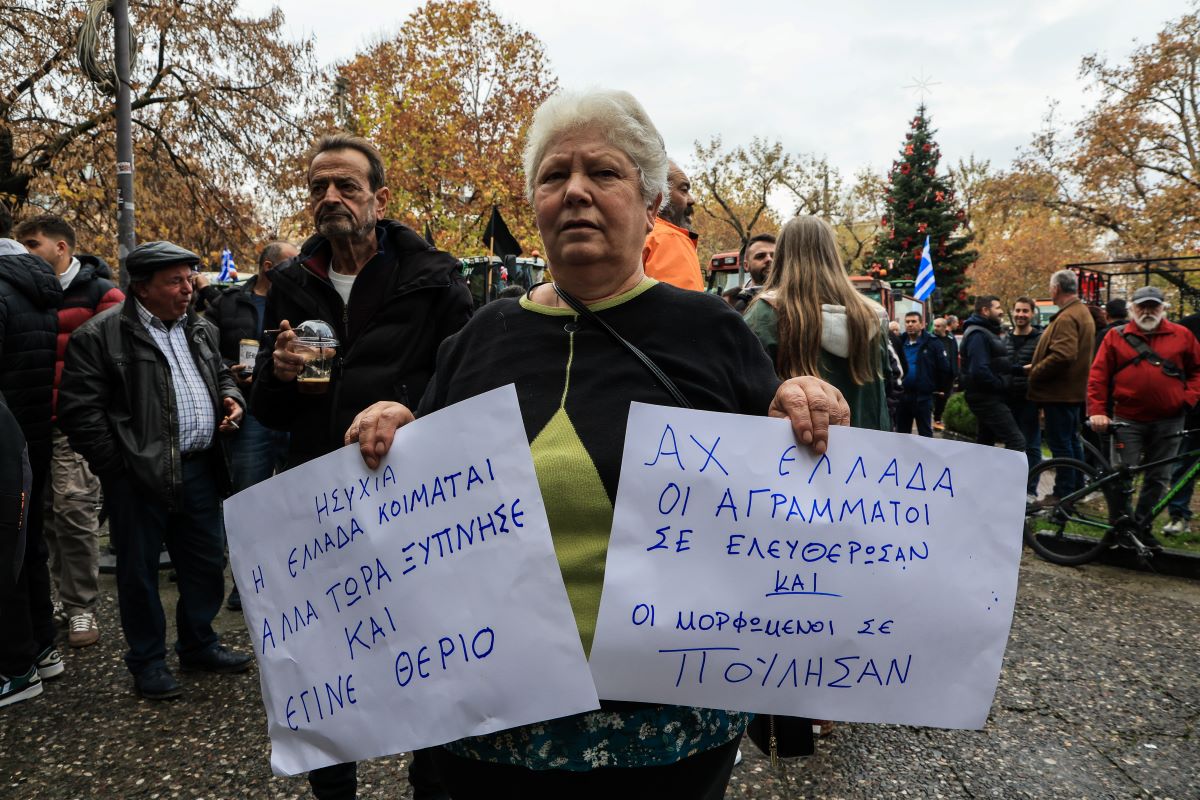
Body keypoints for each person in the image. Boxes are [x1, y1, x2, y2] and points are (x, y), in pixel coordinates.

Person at [345, 87, 849, 799]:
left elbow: (780, 502)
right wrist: (393, 427)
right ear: (534, 204)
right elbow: (425, 507)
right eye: (554, 176)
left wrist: (805, 407)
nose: (576, 191)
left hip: (665, 731)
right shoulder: (479, 339)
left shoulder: (710, 332)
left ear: (649, 203)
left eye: (603, 173)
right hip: (490, 724)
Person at [252, 133, 473, 800]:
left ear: (380, 198)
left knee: (432, 653)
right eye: (319, 186)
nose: (330, 197)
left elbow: (465, 385)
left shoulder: (435, 276)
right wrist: (282, 373)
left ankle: (433, 780)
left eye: (345, 185)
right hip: (322, 499)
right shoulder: (292, 283)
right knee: (326, 662)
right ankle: (334, 787)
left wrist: (407, 410)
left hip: (415, 502)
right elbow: (271, 409)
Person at [58, 240, 251, 701]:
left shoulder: (198, 328)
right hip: (137, 479)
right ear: (142, 288)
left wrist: (232, 399)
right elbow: (80, 413)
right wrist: (119, 469)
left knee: (206, 564)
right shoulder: (99, 336)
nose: (188, 289)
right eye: (175, 282)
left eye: (189, 279)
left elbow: (222, 373)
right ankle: (147, 662)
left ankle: (198, 643)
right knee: (139, 574)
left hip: (201, 469)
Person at [13, 214, 123, 646]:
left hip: (74, 424)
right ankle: (65, 595)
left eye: (33, 243)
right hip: (32, 420)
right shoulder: (27, 292)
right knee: (45, 517)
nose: (25, 251)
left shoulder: (101, 293)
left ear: (62, 247)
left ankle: (81, 607)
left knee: (75, 511)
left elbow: (120, 363)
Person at [202, 240, 297, 610]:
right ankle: (247, 585)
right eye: (292, 262)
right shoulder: (228, 303)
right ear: (269, 267)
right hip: (251, 414)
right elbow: (204, 349)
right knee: (247, 502)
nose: (300, 266)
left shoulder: (298, 300)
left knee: (298, 499)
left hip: (291, 411)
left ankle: (296, 576)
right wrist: (228, 369)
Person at [0, 215, 64, 707]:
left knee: (8, 552)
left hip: (7, 440)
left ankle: (15, 667)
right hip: (34, 431)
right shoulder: (35, 281)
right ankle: (42, 648)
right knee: (29, 544)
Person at [744, 215, 890, 431]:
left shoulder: (765, 314)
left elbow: (747, 394)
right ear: (832, 254)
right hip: (868, 452)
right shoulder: (873, 318)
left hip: (800, 453)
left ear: (783, 254)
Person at [1087, 286, 1200, 547]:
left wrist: (1188, 398)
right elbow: (1098, 376)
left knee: (1159, 477)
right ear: (1132, 309)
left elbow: (1197, 370)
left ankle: (1140, 526)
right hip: (1127, 419)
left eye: (1153, 306)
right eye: (1142, 306)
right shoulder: (1116, 336)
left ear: (1163, 308)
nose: (1147, 311)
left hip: (1170, 420)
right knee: (1121, 476)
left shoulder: (1182, 335)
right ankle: (1120, 527)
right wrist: (1098, 412)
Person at [1028, 270, 1095, 500]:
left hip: (1060, 394)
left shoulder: (1067, 317)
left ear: (1056, 288)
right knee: (1071, 443)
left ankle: (1063, 493)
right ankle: (1075, 490)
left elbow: (1064, 355)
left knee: (1062, 446)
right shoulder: (1080, 312)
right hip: (1070, 393)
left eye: (1050, 287)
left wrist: (1036, 371)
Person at [960, 296, 1025, 452]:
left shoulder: (986, 332)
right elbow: (979, 370)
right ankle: (1008, 477)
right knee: (1016, 442)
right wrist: (1001, 385)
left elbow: (997, 364)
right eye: (997, 308)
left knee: (985, 444)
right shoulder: (978, 335)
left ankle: (981, 476)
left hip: (986, 395)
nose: (1001, 311)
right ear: (985, 311)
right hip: (986, 398)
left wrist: (1020, 370)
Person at [641, 159, 703, 291]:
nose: (692, 200)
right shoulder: (668, 239)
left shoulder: (630, 237)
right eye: (684, 189)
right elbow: (683, 309)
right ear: (656, 197)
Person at [1165, 307, 1200, 534]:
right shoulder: (1189, 327)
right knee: (1185, 464)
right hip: (1196, 412)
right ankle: (1178, 514)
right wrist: (1187, 400)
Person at [895, 311, 951, 437]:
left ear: (921, 324)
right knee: (901, 435)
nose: (910, 324)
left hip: (923, 397)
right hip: (902, 396)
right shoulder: (900, 342)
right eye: (907, 322)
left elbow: (944, 368)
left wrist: (937, 388)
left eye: (913, 321)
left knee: (925, 434)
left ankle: (925, 457)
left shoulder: (932, 343)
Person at [1007, 297, 1043, 487]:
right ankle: (1012, 486)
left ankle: (1031, 489)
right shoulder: (1005, 338)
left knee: (1031, 446)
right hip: (1007, 399)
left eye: (1025, 311)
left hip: (1030, 400)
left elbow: (1040, 368)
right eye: (1018, 310)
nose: (1021, 315)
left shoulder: (1039, 339)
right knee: (1012, 446)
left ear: (1032, 313)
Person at [732, 233, 775, 312]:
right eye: (760, 256)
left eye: (774, 256)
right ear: (746, 266)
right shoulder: (731, 303)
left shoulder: (796, 298)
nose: (769, 259)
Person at [931, 317, 958, 431]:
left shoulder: (951, 339)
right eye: (934, 325)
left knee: (944, 398)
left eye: (938, 326)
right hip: (934, 374)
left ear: (944, 327)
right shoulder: (931, 339)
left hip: (948, 376)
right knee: (934, 398)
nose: (935, 328)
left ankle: (938, 419)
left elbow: (954, 355)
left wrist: (955, 371)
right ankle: (934, 419)